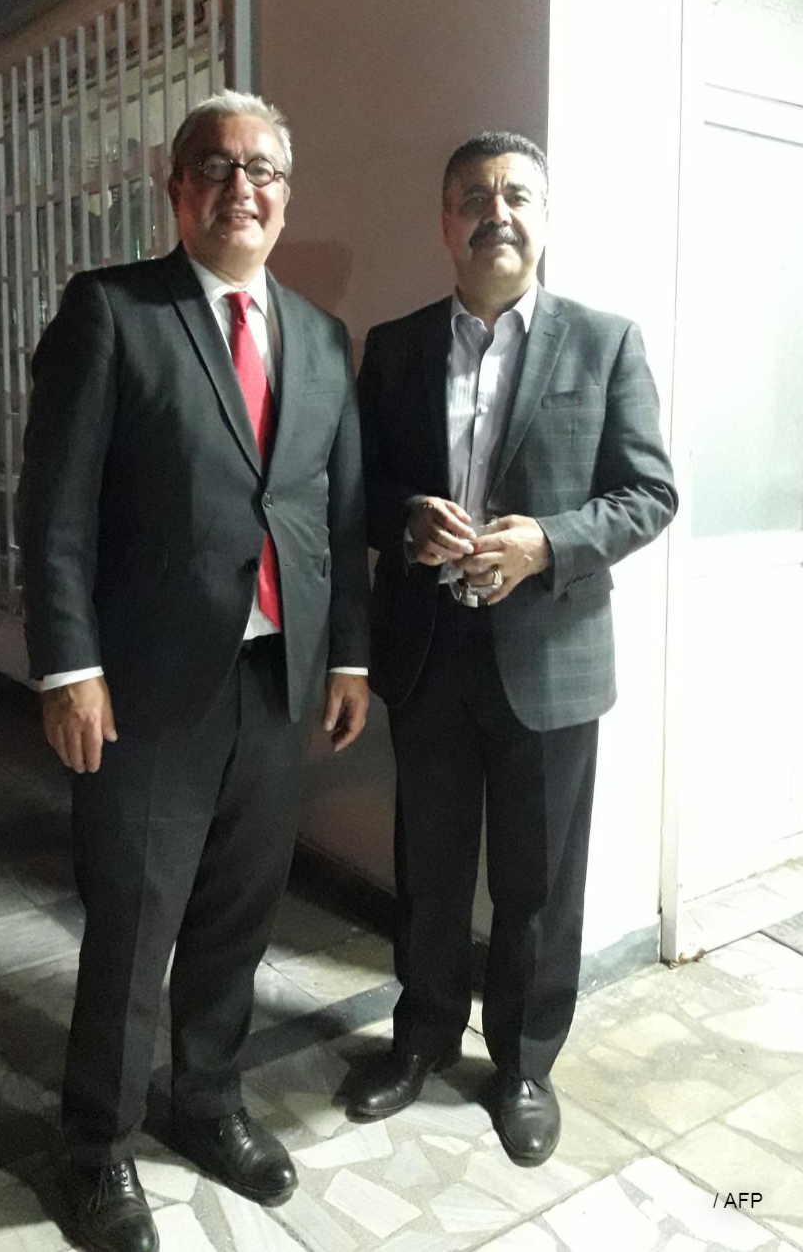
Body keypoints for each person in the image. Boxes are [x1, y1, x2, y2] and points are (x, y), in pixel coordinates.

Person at [18, 90, 370, 1252]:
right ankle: (98, 1144)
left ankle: (208, 1099)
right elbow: (56, 508)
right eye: (214, 167)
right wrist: (69, 665)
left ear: (285, 194)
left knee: (234, 915)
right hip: (143, 689)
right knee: (132, 925)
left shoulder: (319, 337)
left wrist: (348, 651)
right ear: (176, 188)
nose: (239, 188)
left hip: (275, 680)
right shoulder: (113, 312)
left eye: (261, 169)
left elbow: (333, 514)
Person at [349, 131, 677, 1166]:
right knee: (430, 867)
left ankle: (526, 1063)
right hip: (429, 650)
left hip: (551, 659)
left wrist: (547, 544)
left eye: (517, 195)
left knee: (538, 882)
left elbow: (650, 492)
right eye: (474, 197)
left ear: (544, 215)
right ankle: (420, 1036)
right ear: (445, 222)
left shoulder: (605, 342)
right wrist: (406, 519)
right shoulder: (395, 348)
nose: (497, 212)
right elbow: (354, 487)